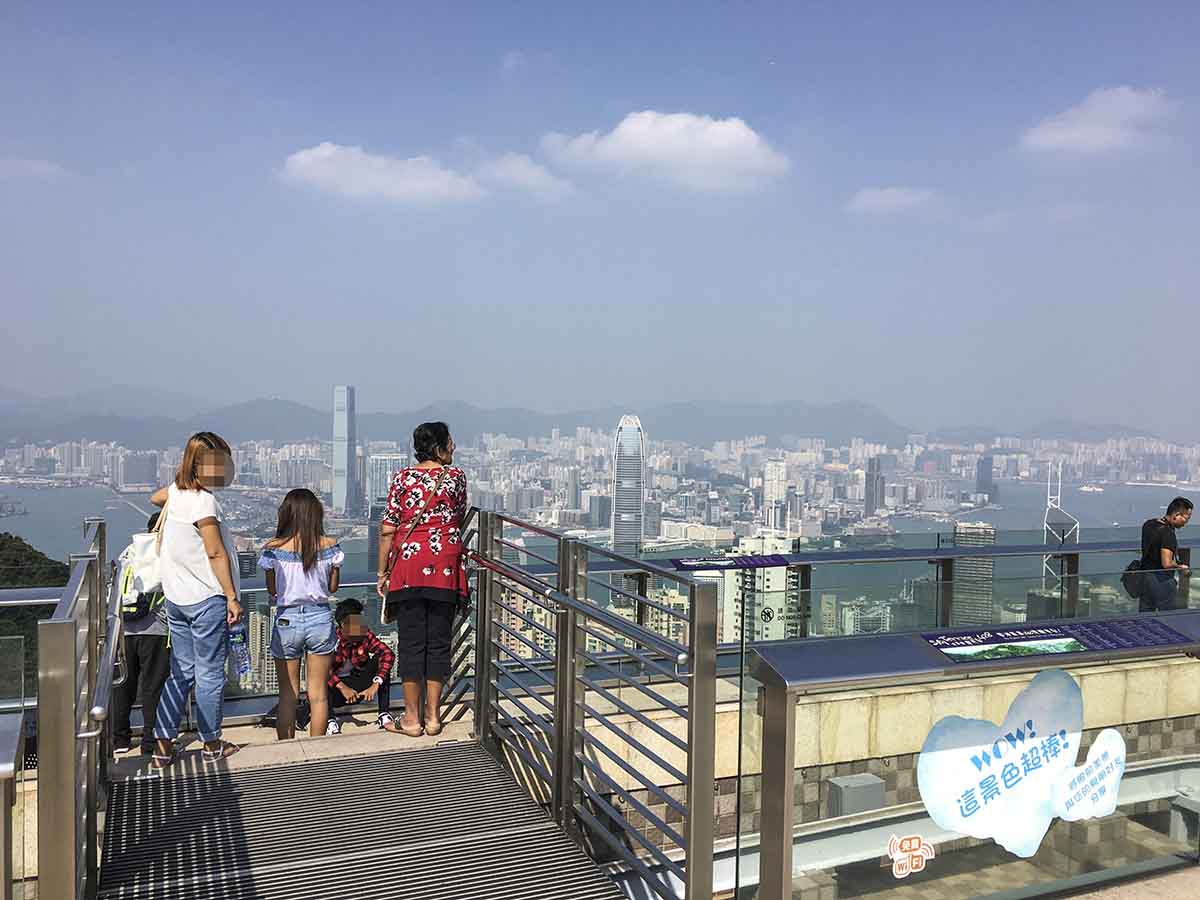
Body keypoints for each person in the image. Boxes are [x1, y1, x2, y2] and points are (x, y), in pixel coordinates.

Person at [149, 431, 242, 767]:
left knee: (181, 674)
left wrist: (179, 486)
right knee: (210, 674)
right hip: (206, 600)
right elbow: (215, 553)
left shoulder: (176, 493)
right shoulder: (204, 502)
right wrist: (231, 597)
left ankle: (162, 746)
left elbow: (154, 498)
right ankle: (211, 744)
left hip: (176, 600)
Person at [377, 422, 468, 737]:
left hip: (407, 570)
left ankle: (411, 719)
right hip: (445, 568)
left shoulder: (402, 478)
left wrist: (382, 572)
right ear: (440, 446)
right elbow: (457, 514)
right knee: (439, 643)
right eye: (451, 442)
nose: (454, 447)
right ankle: (433, 718)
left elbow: (388, 528)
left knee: (412, 644)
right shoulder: (455, 478)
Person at [259, 489, 342, 739]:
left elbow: (272, 590)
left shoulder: (273, 548)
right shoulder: (329, 546)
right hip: (320, 618)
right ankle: (316, 749)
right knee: (318, 694)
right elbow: (332, 588)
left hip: (287, 619)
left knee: (288, 694)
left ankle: (286, 748)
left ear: (286, 514)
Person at [111, 511, 170, 756]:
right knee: (153, 687)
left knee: (124, 685)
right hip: (156, 630)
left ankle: (120, 740)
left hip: (124, 628)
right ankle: (149, 741)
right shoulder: (164, 553)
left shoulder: (128, 551)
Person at [326, 597, 399, 734]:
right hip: (336, 691)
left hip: (357, 685)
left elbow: (388, 654)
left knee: (382, 662)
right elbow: (322, 671)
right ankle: (330, 720)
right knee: (322, 678)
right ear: (343, 624)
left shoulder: (364, 635)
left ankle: (383, 714)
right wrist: (343, 688)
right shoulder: (330, 639)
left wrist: (375, 684)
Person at [1139, 496, 1193, 612]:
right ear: (1177, 515)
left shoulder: (1149, 524)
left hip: (1144, 577)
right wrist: (1181, 567)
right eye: (1186, 518)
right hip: (1162, 581)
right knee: (1168, 617)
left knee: (1145, 617)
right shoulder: (1168, 533)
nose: (1186, 523)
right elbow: (1167, 564)